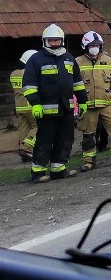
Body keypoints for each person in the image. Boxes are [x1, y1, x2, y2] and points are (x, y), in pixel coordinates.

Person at [22, 24, 88, 182]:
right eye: (50, 40)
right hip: (46, 111)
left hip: (66, 108)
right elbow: (29, 84)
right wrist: (35, 103)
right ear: (45, 41)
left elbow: (77, 82)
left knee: (65, 139)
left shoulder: (69, 59)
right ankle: (38, 172)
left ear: (61, 40)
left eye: (56, 40)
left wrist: (83, 101)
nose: (54, 43)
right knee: (44, 141)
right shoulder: (36, 60)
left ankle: (58, 169)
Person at [76, 31, 111, 171]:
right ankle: (89, 161)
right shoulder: (77, 62)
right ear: (85, 46)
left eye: (97, 45)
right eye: (92, 45)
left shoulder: (108, 61)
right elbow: (72, 83)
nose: (95, 48)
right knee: (88, 135)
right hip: (87, 105)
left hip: (107, 103)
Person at [10, 50, 38, 162]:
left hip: (19, 106)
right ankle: (26, 148)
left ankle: (24, 153)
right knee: (38, 126)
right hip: (30, 105)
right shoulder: (28, 73)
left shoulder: (13, 74)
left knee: (23, 129)